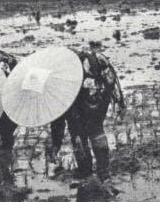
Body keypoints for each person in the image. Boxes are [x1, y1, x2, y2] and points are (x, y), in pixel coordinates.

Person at [48, 45, 126, 182]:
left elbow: (58, 119)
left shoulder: (59, 81)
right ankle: (101, 171)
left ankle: (89, 172)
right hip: (98, 94)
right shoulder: (83, 62)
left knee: (80, 133)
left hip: (91, 94)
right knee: (93, 130)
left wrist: (56, 144)